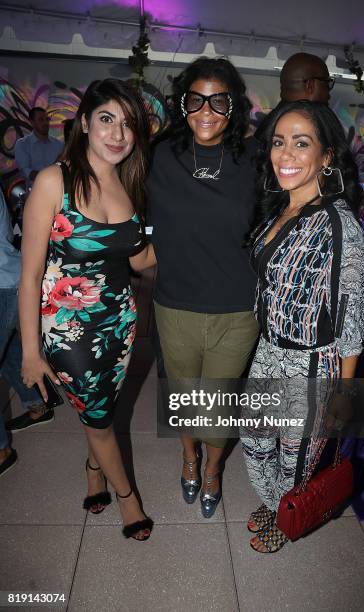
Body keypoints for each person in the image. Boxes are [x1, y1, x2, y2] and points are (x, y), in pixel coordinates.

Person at [19, 79, 156, 540]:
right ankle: (128, 501)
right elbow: (31, 276)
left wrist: (186, 235)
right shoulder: (53, 181)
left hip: (120, 322)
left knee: (102, 409)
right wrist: (31, 353)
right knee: (99, 419)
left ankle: (94, 472)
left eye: (127, 124)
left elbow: (139, 260)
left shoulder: (128, 185)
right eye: (106, 119)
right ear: (84, 124)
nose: (117, 133)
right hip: (67, 330)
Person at [241, 100, 364, 552]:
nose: (286, 154)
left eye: (301, 143)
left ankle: (287, 515)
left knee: (295, 460)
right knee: (255, 441)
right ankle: (275, 500)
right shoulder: (280, 208)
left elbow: (353, 316)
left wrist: (344, 394)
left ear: (327, 155)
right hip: (269, 349)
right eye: (279, 142)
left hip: (312, 362)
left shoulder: (340, 224)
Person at [148, 57, 259, 518]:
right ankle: (188, 460)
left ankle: (213, 468)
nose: (207, 109)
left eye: (218, 99)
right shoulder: (160, 154)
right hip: (175, 304)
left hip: (237, 309)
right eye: (196, 99)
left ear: (233, 106)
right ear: (182, 102)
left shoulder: (254, 160)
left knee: (218, 401)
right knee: (183, 395)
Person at [0, 186, 47, 477]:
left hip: (5, 282)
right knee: (7, 351)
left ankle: (1, 450)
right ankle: (36, 402)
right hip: (10, 278)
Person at [255, 52, 334, 139]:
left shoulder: (270, 123)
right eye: (326, 83)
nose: (329, 93)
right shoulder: (312, 123)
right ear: (310, 85)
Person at [15, 107, 63, 188]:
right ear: (32, 122)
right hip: (35, 194)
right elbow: (25, 171)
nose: (45, 123)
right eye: (41, 120)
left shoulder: (59, 144)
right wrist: (49, 176)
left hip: (58, 192)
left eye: (47, 119)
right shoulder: (22, 144)